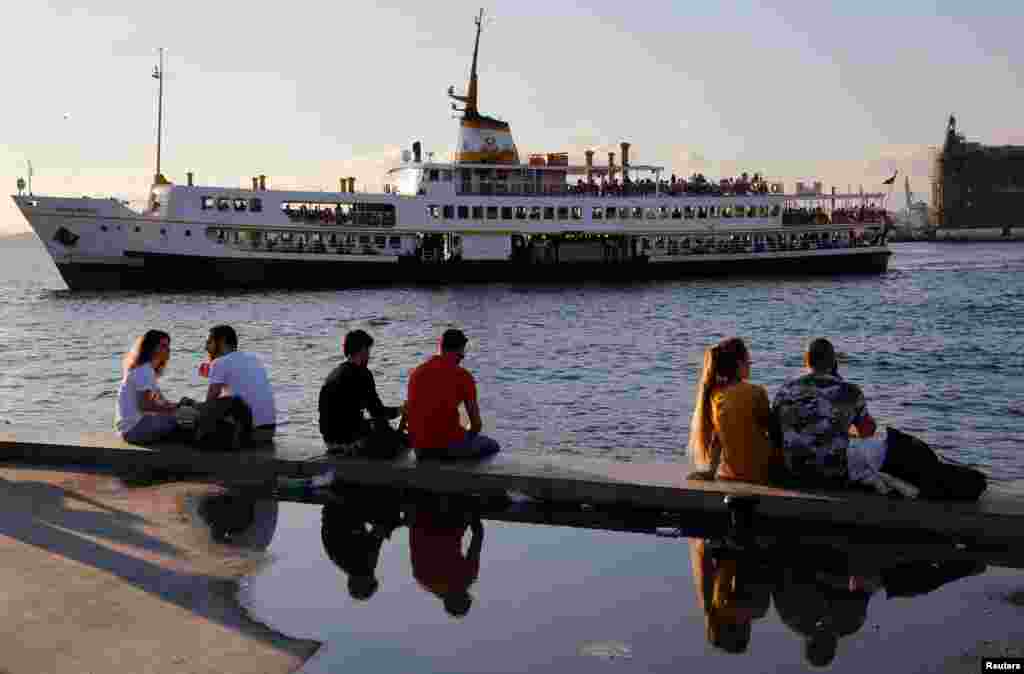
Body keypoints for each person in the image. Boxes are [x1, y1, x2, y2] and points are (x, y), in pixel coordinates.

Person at [688, 337, 781, 484]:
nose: (750, 366)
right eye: (749, 362)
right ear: (739, 364)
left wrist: (711, 471)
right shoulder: (756, 392)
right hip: (761, 473)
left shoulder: (714, 395)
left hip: (729, 473)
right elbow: (774, 431)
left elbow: (717, 439)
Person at [406, 329, 500, 460]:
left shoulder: (417, 372)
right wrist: (467, 435)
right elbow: (476, 425)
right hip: (446, 448)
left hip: (420, 448)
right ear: (460, 351)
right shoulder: (463, 376)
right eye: (463, 351)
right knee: (492, 445)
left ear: (440, 347)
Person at [318, 329, 407, 457]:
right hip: (350, 443)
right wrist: (402, 410)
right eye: (368, 351)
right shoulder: (362, 374)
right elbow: (378, 412)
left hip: (330, 441)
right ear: (362, 351)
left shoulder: (333, 374)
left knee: (377, 425)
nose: (369, 356)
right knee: (398, 439)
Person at [409, 497, 483, 618]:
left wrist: (472, 516)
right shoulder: (423, 579)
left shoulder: (467, 577)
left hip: (445, 518)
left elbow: (478, 534)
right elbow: (415, 541)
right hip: (422, 515)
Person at [204, 325, 277, 445]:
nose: (206, 347)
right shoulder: (255, 359)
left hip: (247, 434)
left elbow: (209, 404)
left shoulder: (219, 363)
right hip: (269, 431)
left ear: (221, 341)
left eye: (209, 342)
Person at [116, 330, 179, 444]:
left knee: (185, 417)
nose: (168, 349)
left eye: (168, 346)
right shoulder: (144, 371)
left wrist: (178, 406)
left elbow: (162, 402)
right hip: (135, 430)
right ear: (151, 348)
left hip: (134, 428)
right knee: (185, 421)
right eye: (163, 346)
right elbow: (145, 406)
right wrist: (174, 411)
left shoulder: (147, 371)